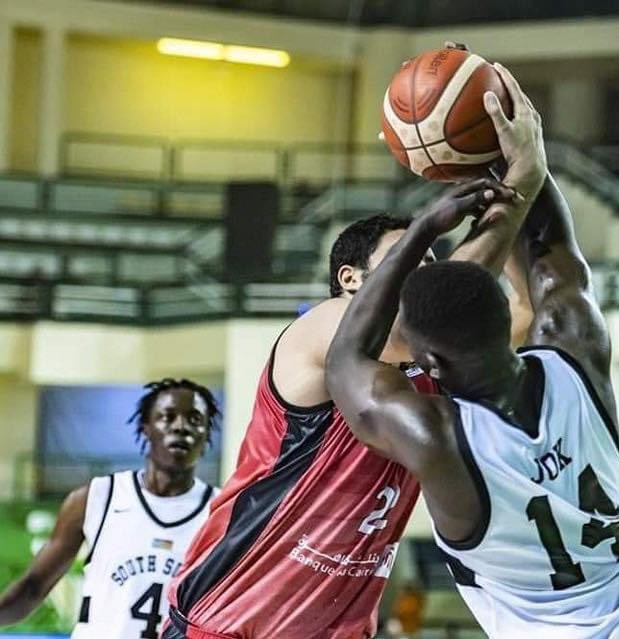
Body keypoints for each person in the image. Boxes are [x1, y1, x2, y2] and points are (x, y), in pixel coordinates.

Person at [162, 57, 545, 639]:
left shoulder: (429, 361)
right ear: (349, 279)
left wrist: (506, 171)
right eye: (407, 262)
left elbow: (519, 311)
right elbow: (409, 320)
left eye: (430, 265)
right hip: (231, 621)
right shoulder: (316, 334)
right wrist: (515, 185)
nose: (426, 274)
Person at [325, 64, 619, 639]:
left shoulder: (440, 439)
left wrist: (424, 231)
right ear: (509, 313)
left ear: (427, 365)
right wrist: (525, 159)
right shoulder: (576, 352)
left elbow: (346, 359)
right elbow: (555, 257)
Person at [0, 378, 220, 639]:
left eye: (195, 419)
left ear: (207, 434)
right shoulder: (97, 497)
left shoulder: (220, 512)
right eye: (167, 417)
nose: (181, 427)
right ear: (146, 428)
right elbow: (32, 588)